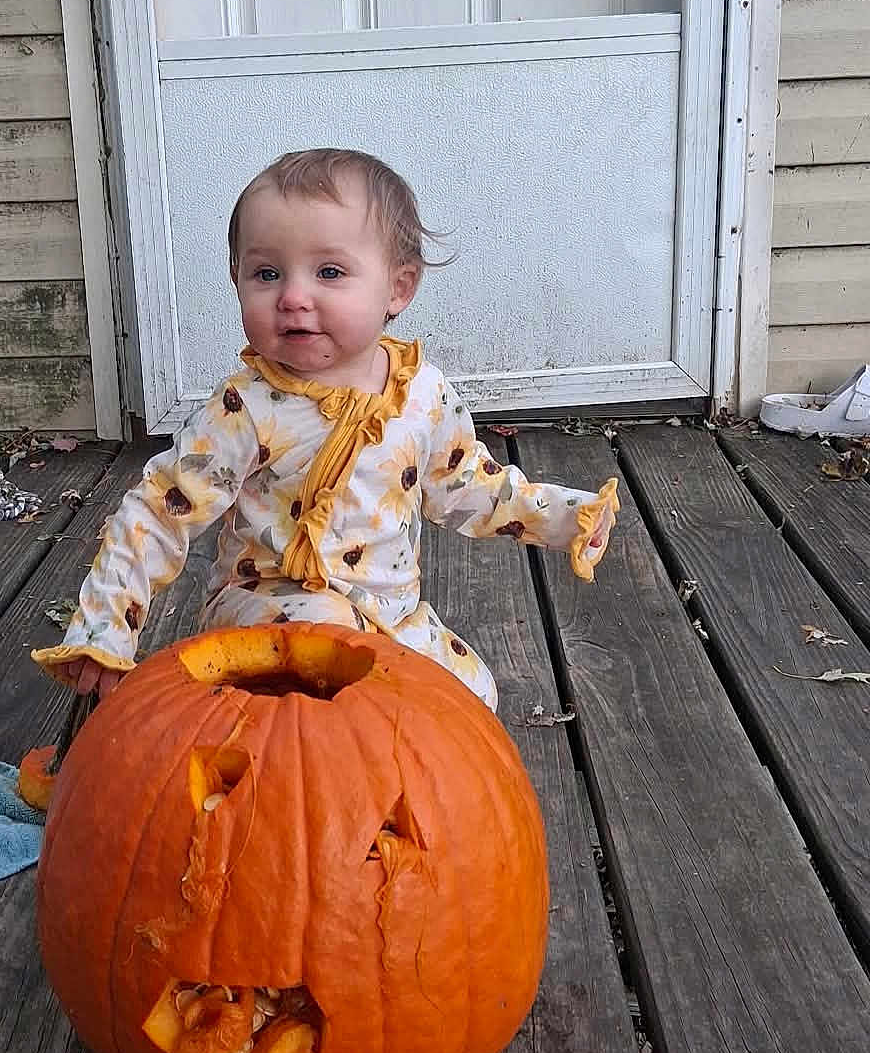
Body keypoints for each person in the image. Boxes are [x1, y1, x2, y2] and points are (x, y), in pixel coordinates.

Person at [32, 148, 619, 712]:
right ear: (236, 280)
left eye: (329, 272)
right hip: (269, 612)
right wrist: (105, 626)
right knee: (325, 636)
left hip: (390, 616)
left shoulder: (421, 395)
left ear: (398, 288)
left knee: (469, 698)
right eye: (266, 273)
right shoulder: (247, 408)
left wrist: (567, 516)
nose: (292, 297)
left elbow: (471, 485)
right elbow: (159, 511)